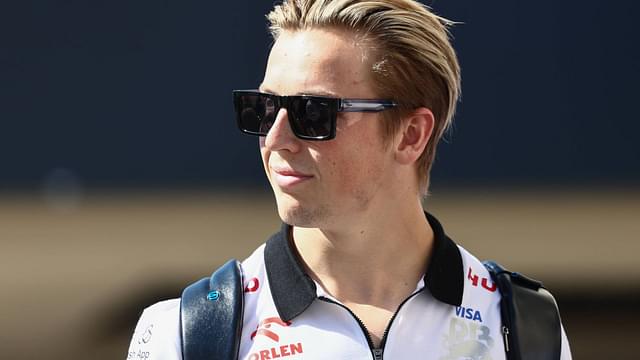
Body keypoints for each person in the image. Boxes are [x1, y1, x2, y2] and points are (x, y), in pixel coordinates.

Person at [127, 0, 572, 359]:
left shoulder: (522, 325)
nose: (276, 139)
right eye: (261, 109)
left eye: (313, 113)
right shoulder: (186, 333)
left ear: (411, 135)